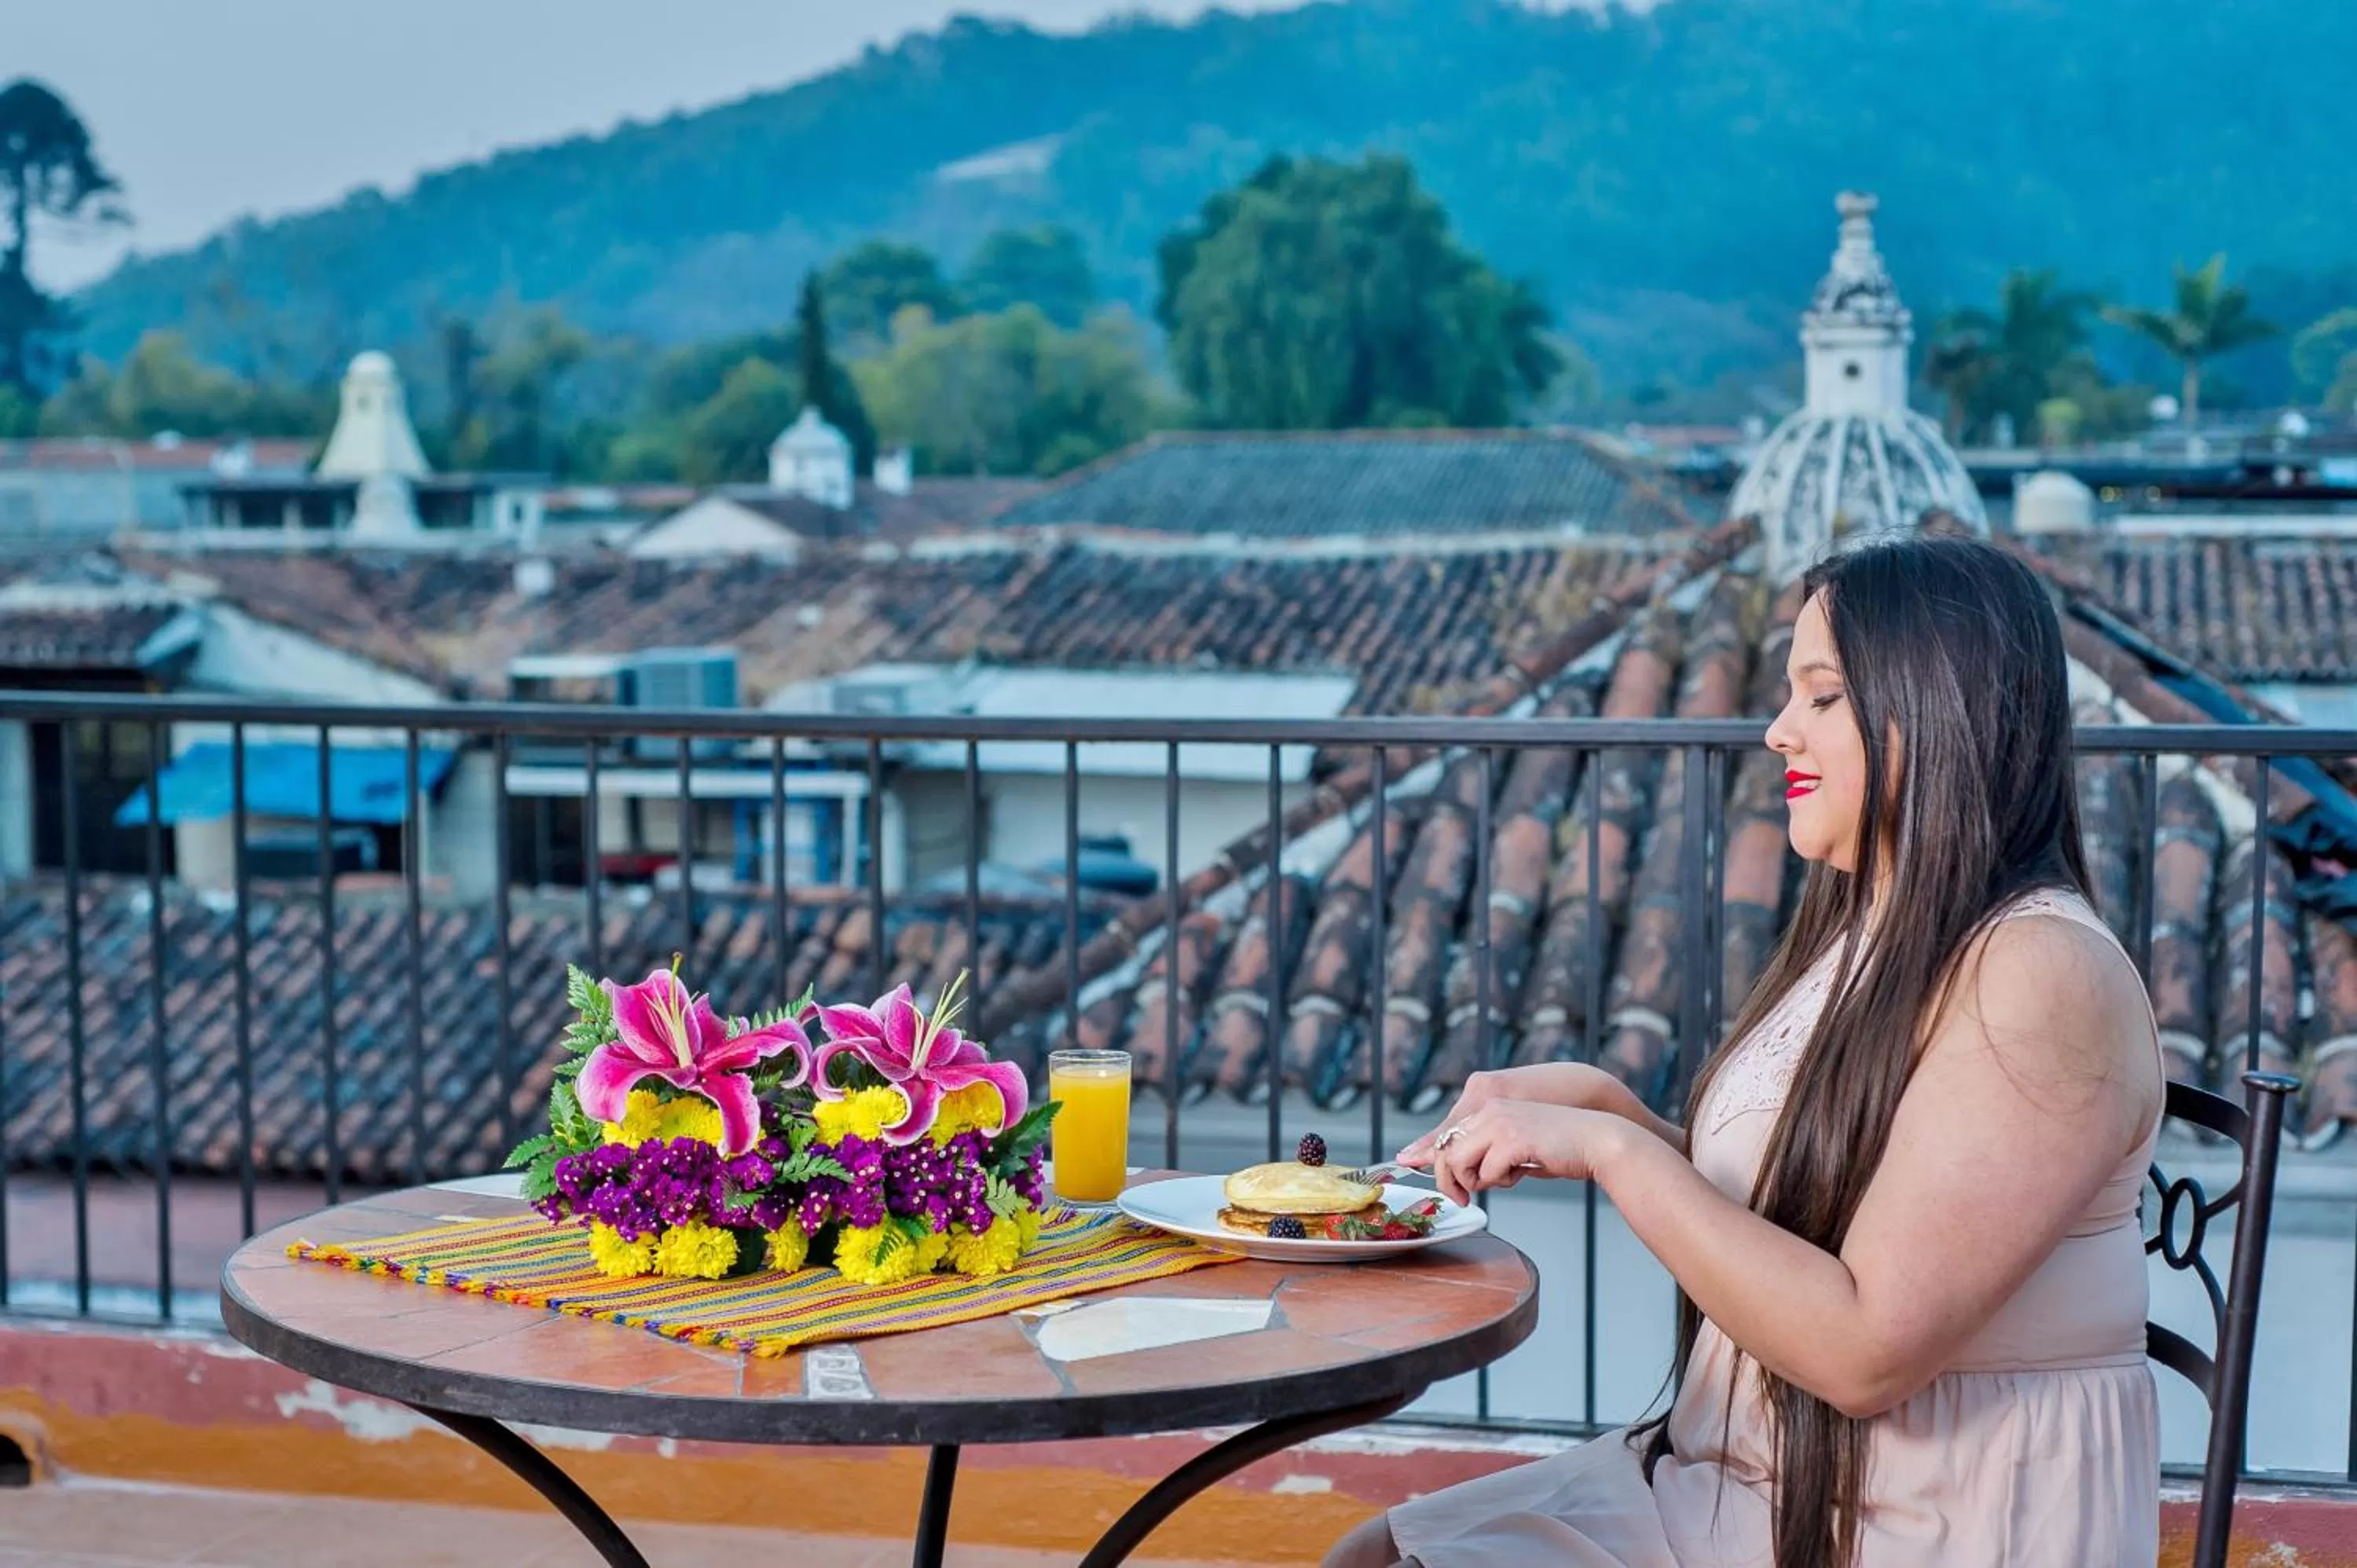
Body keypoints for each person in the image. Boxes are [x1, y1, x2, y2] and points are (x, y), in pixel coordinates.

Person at [1328, 536, 2164, 1568]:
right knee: (1376, 1554)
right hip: (1755, 1480)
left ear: (1934, 712)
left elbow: (1862, 1351)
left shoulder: (2041, 973)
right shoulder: (1875, 931)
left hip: (1923, 1518)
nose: (1777, 732)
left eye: (1820, 697)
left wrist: (1615, 1154)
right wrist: (1608, 1108)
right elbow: (1811, 1211)